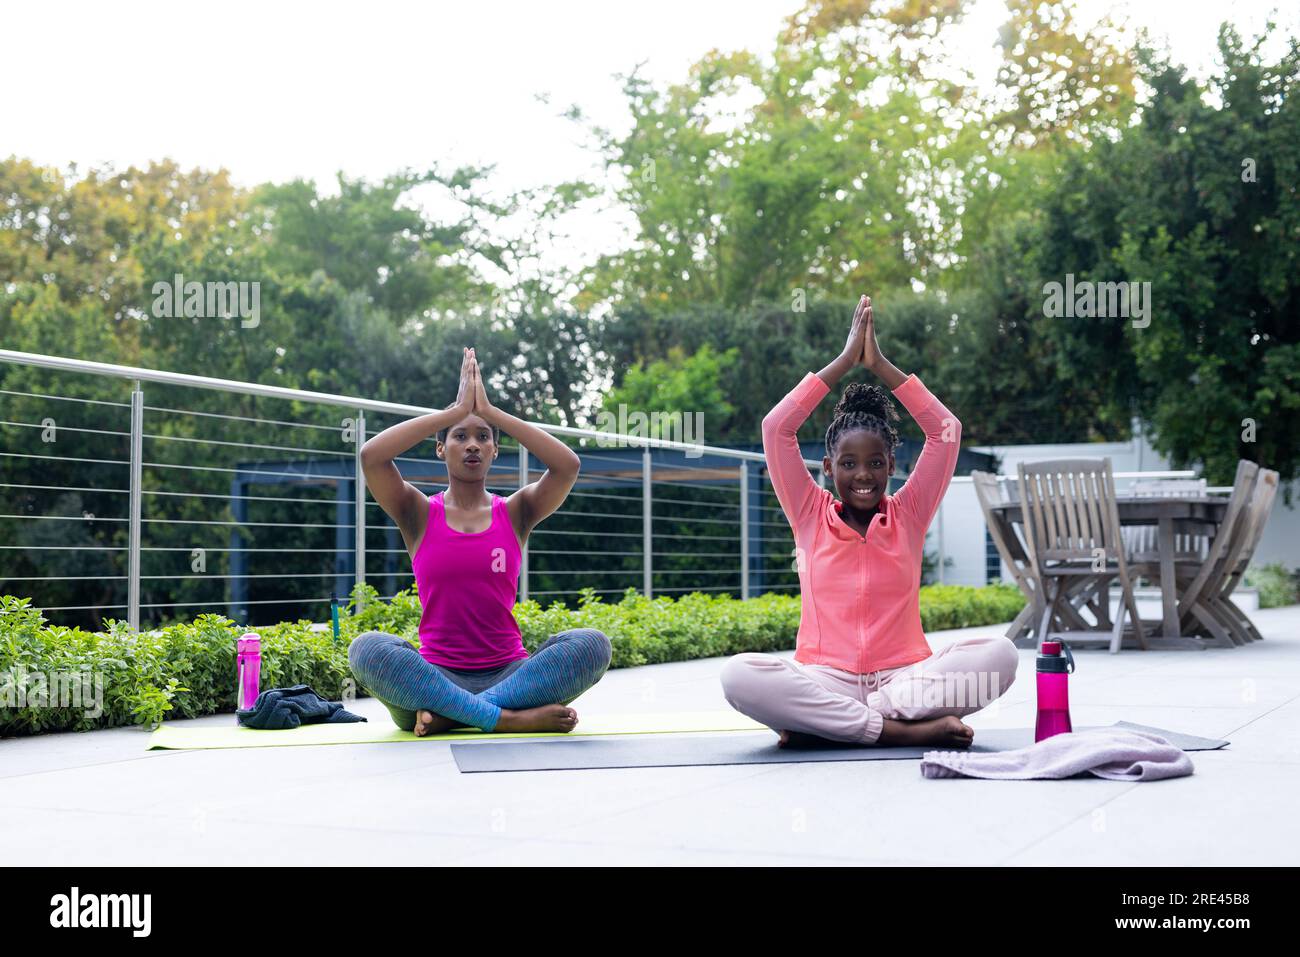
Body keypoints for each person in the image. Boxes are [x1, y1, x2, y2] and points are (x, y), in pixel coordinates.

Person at [720, 295, 1018, 748]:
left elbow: (946, 430)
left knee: (1002, 655)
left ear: (891, 465)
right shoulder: (808, 513)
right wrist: (844, 361)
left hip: (904, 685)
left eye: (876, 463)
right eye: (849, 464)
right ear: (827, 467)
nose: (863, 475)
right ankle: (895, 732)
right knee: (739, 676)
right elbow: (775, 428)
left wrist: (879, 364)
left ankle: (839, 724)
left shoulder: (910, 515)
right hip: (825, 679)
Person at [348, 347, 611, 736]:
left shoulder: (517, 510)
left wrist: (491, 411)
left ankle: (454, 717)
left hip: (511, 677)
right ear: (441, 448)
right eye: (459, 436)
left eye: (483, 436)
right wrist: (455, 410)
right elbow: (371, 456)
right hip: (433, 680)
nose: (472, 444)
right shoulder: (417, 512)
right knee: (366, 648)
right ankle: (503, 719)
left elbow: (568, 465)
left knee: (593, 644)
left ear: (494, 450)